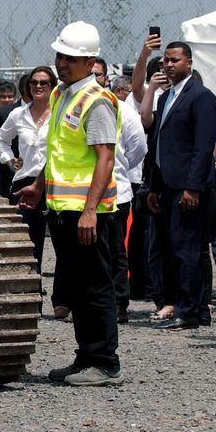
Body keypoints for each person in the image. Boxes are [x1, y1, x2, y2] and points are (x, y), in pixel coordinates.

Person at [18, 21, 122, 386]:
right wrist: (39, 185)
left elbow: (104, 159)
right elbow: (60, 153)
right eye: (60, 55)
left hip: (88, 213)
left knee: (95, 288)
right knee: (78, 288)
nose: (62, 63)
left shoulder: (96, 101)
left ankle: (106, 362)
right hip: (63, 209)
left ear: (90, 60)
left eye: (71, 58)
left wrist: (91, 211)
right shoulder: (63, 95)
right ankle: (86, 358)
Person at [144, 40, 216, 331]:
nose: (168, 65)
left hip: (189, 186)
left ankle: (188, 309)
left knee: (187, 250)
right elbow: (158, 144)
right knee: (174, 248)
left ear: (189, 63)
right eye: (165, 60)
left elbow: (203, 147)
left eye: (175, 60)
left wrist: (193, 187)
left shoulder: (201, 96)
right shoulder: (166, 98)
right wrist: (154, 185)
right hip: (166, 184)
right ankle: (197, 308)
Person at [0, 66, 58, 306]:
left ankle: (62, 299)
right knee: (29, 243)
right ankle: (32, 298)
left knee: (62, 242)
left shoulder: (59, 114)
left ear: (52, 86)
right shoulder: (18, 114)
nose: (39, 87)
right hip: (24, 181)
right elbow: (0, 139)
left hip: (54, 182)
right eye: (34, 83)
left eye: (44, 83)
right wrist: (9, 159)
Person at [97, 61, 147, 324]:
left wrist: (121, 166)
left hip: (116, 192)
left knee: (115, 250)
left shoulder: (122, 110)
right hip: (80, 194)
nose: (93, 79)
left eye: (97, 74)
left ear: (106, 78)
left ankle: (118, 303)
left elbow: (138, 148)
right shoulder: (71, 104)